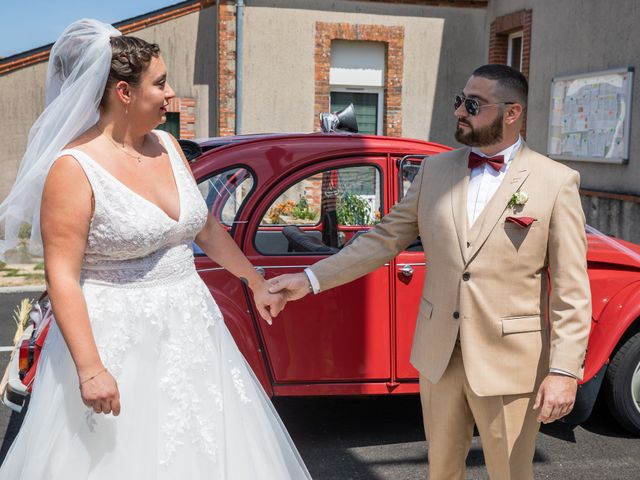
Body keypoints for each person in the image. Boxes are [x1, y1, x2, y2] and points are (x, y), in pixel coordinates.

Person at [0, 19, 310, 479]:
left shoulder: (167, 145)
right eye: (160, 84)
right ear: (123, 92)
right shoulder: (73, 168)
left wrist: (254, 281)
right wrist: (89, 369)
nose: (171, 95)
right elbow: (61, 275)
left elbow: (204, 227)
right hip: (117, 341)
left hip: (192, 330)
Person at [269, 64, 591, 479]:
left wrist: (564, 372)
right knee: (441, 471)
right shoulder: (435, 171)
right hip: (438, 355)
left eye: (473, 105)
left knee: (510, 473)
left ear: (512, 113)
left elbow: (570, 290)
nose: (460, 111)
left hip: (512, 363)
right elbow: (381, 239)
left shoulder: (556, 182)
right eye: (460, 100)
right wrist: (309, 279)